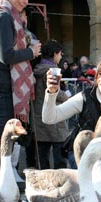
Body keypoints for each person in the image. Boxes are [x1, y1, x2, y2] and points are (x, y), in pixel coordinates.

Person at [0, 0, 41, 178]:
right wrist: (31, 52)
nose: (25, 0)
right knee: (1, 139)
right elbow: (6, 55)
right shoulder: (4, 17)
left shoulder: (0, 14)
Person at [42, 56, 101, 173]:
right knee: (90, 175)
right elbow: (49, 118)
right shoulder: (85, 97)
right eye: (100, 73)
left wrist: (98, 161)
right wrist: (51, 92)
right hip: (81, 150)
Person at [33, 40, 69, 169]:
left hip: (39, 115)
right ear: (54, 53)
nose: (61, 55)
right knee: (59, 150)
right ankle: (61, 178)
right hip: (53, 114)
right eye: (59, 53)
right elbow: (56, 92)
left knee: (42, 153)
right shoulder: (51, 71)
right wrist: (68, 97)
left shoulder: (37, 69)